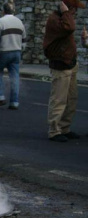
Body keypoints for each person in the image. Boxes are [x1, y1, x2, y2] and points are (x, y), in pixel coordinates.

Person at [43, 0, 84, 142]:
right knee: (59, 99)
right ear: (66, 7)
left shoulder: (63, 19)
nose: (75, 13)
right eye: (74, 9)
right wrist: (66, 12)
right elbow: (70, 27)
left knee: (71, 99)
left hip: (69, 64)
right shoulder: (56, 20)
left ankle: (64, 127)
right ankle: (54, 130)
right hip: (61, 65)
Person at [0, 1, 26, 110]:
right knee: (14, 77)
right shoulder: (20, 22)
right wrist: (20, 50)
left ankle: (0, 97)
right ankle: (14, 102)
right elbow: (24, 40)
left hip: (3, 52)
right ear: (13, 11)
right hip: (16, 52)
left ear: (3, 11)